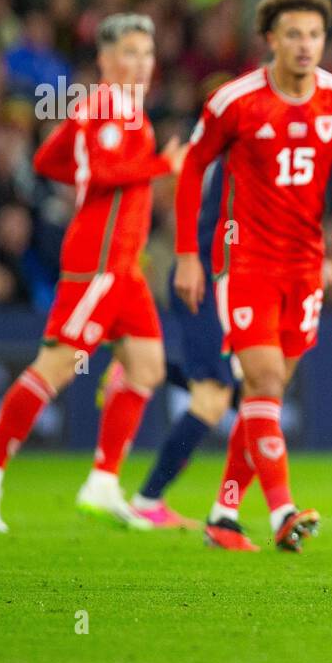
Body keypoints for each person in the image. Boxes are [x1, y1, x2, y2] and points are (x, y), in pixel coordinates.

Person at [0, 13, 186, 533]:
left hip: (125, 265)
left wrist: (88, 172)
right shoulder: (110, 106)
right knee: (57, 365)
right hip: (99, 259)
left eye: (148, 53)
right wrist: (159, 167)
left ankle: (103, 483)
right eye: (130, 52)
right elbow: (103, 172)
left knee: (147, 365)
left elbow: (47, 158)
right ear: (105, 61)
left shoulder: (121, 110)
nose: (142, 63)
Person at [174, 0, 332, 553]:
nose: (305, 45)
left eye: (314, 35)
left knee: (268, 394)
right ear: (270, 41)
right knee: (261, 382)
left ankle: (223, 515)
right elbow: (192, 171)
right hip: (244, 260)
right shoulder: (233, 101)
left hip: (305, 266)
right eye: (293, 35)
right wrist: (188, 252)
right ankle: (283, 510)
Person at [127, 158, 235, 529]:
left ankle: (145, 363)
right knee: (212, 397)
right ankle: (148, 499)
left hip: (234, 282)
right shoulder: (228, 152)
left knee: (247, 392)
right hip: (205, 281)